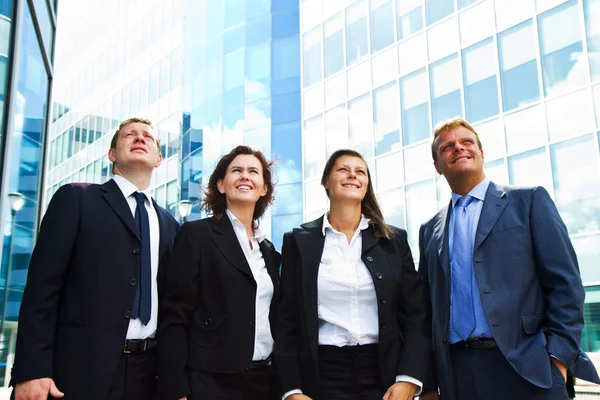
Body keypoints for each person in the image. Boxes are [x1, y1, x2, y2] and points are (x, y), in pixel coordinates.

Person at [418, 117, 600, 400]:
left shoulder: (529, 200)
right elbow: (426, 311)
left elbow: (565, 285)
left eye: (467, 142)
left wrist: (558, 360)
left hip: (529, 368)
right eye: (447, 147)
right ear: (437, 166)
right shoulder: (430, 229)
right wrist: (429, 384)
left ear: (481, 153)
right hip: (458, 375)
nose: (459, 148)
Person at [10, 117, 180, 400]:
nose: (140, 138)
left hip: (149, 375)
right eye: (130, 135)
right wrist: (31, 369)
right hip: (79, 372)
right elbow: (42, 290)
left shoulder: (171, 225)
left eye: (148, 137)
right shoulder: (76, 198)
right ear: (112, 154)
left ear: (159, 159)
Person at [276, 149, 430, 400]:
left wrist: (409, 379)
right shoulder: (298, 242)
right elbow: (287, 322)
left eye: (360, 171)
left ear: (366, 184)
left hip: (383, 373)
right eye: (343, 170)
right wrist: (292, 390)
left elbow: (416, 315)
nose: (352, 175)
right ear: (326, 181)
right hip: (322, 375)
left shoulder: (393, 240)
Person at [157, 145, 281, 400]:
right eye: (236, 170)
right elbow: (175, 316)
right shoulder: (196, 235)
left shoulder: (269, 250)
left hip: (263, 383)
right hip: (210, 383)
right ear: (221, 185)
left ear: (264, 188)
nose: (245, 176)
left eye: (253, 172)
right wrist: (176, 388)